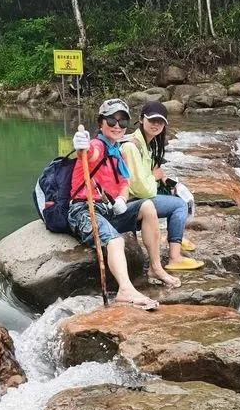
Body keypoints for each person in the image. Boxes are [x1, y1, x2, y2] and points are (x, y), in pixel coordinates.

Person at [68, 98, 182, 307]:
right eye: (112, 120)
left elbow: (124, 183)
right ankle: (125, 289)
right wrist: (80, 146)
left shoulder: (116, 151)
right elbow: (88, 154)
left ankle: (155, 267)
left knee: (147, 206)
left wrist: (121, 199)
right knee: (116, 240)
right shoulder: (97, 145)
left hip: (109, 208)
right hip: (85, 209)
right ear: (101, 122)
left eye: (122, 122)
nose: (117, 126)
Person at [121, 101, 203, 273]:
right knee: (179, 205)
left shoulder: (147, 144)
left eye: (160, 121)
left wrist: (164, 179)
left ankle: (175, 237)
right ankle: (175, 258)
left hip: (138, 196)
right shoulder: (131, 146)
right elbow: (140, 188)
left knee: (177, 193)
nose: (156, 124)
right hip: (131, 202)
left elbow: (147, 176)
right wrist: (155, 177)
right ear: (141, 120)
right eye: (152, 120)